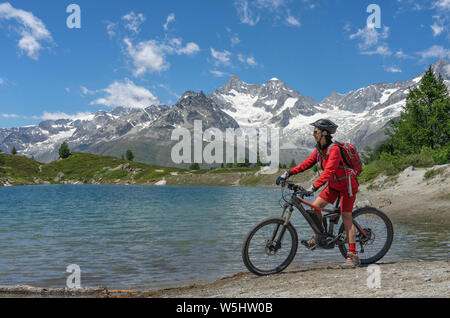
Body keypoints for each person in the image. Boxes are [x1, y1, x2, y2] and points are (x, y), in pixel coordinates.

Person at [277, 119, 360, 268]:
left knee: (346, 217)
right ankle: (320, 236)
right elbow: (306, 164)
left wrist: (313, 187)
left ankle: (352, 256)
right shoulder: (320, 150)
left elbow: (329, 171)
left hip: (347, 185)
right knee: (315, 208)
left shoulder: (334, 149)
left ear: (324, 133)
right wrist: (288, 173)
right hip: (334, 186)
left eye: (315, 131)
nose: (313, 134)